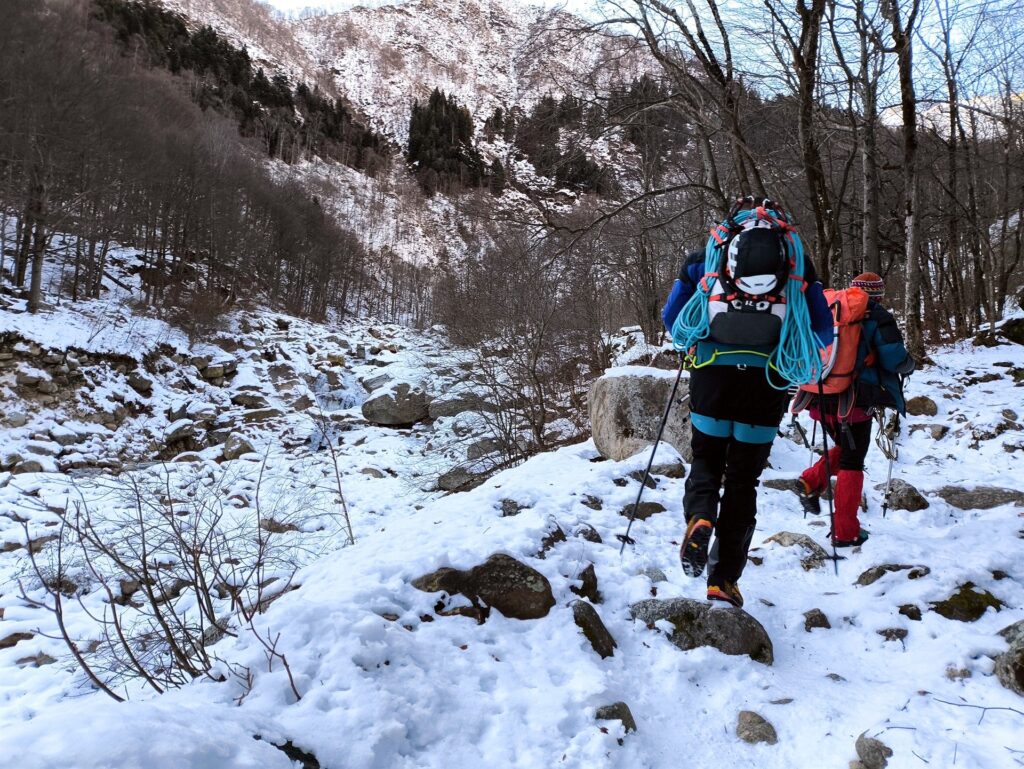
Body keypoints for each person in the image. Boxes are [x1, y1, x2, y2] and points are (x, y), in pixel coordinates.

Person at [661, 198, 833, 607]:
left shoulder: (703, 260)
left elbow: (674, 321)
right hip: (766, 383)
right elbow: (823, 332)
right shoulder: (798, 267)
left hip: (712, 376)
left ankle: (700, 515)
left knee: (705, 462)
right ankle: (723, 580)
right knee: (743, 482)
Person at [792, 272, 915, 547]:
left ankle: (810, 481)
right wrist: (909, 365)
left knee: (847, 449)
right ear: (877, 295)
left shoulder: (829, 307)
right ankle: (845, 531)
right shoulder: (876, 315)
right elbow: (894, 357)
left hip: (818, 393)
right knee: (853, 460)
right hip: (856, 398)